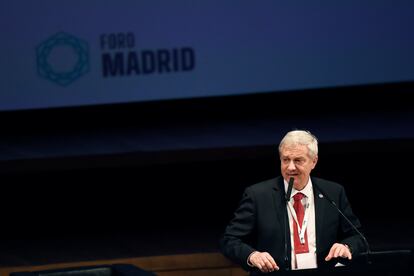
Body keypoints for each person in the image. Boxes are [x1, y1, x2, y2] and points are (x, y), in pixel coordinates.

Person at [220, 130, 366, 274]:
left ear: (313, 161)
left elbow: (357, 237)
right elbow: (230, 240)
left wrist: (347, 246)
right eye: (285, 160)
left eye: (298, 160)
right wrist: (252, 256)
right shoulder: (258, 195)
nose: (290, 167)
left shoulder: (333, 192)